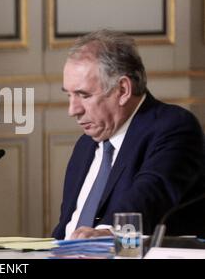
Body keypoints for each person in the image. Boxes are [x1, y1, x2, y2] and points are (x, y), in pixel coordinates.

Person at [53, 29, 205, 240]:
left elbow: (149, 196)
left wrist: (106, 234)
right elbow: (67, 227)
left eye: (83, 95)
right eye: (69, 95)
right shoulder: (85, 146)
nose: (73, 110)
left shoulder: (173, 128)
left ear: (123, 90)